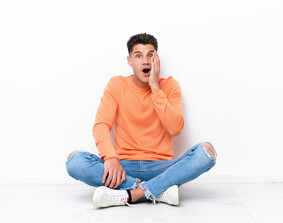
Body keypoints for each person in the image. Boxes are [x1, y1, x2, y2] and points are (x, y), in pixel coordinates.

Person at [66, 33, 217, 208]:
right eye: (138, 56)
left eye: (150, 55)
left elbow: (175, 128)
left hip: (161, 168)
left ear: (157, 59)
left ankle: (132, 194)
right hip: (123, 168)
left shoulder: (169, 86)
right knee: (74, 161)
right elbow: (101, 125)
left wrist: (155, 88)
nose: (145, 61)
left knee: (207, 153)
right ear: (129, 61)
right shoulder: (116, 85)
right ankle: (157, 190)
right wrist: (110, 158)